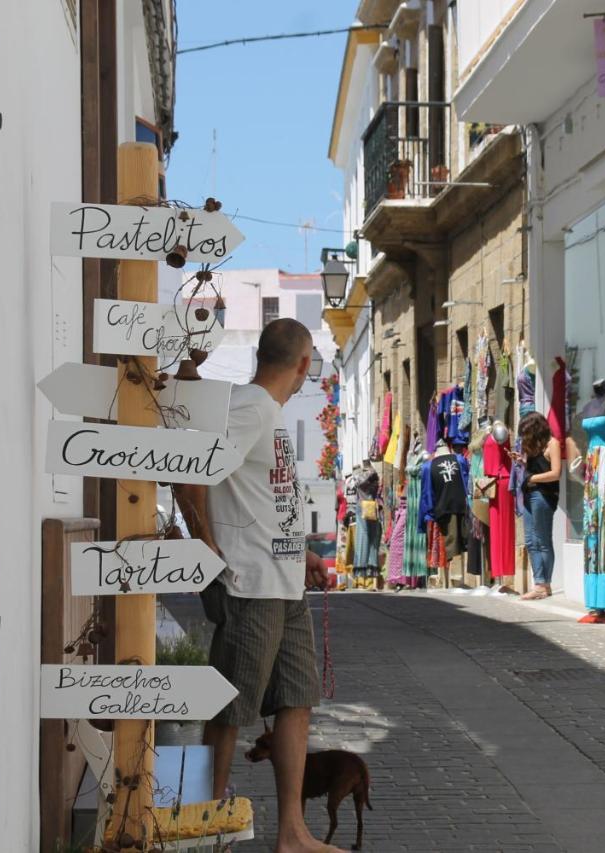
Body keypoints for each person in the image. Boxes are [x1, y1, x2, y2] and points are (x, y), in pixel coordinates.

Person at [176, 318, 339, 853]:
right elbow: (189, 474)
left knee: (296, 699)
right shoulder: (249, 409)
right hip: (249, 586)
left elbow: (267, 504)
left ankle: (291, 833)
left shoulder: (264, 415)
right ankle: (201, 831)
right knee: (231, 710)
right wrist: (206, 546)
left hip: (284, 582)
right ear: (301, 364)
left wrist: (306, 556)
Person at [517, 411, 561, 600]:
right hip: (529, 494)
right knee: (530, 540)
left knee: (542, 540)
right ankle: (539, 584)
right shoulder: (534, 447)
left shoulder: (553, 444)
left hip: (544, 495)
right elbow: (535, 468)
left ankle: (544, 584)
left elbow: (556, 473)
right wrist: (521, 462)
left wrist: (531, 478)